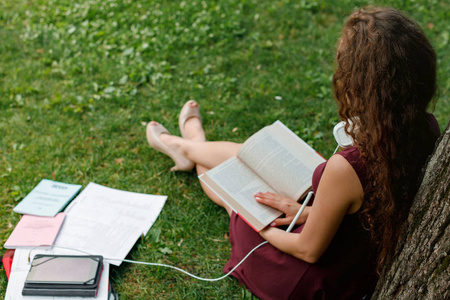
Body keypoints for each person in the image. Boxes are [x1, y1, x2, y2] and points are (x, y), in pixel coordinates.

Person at [145, 6, 441, 300]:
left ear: (360, 84)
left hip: (310, 280)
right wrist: (313, 212)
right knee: (249, 157)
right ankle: (187, 146)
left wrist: (261, 227)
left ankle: (186, 143)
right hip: (354, 259)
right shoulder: (427, 128)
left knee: (235, 199)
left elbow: (307, 251)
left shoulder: (347, 168)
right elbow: (372, 208)